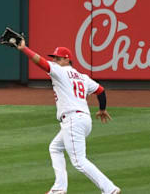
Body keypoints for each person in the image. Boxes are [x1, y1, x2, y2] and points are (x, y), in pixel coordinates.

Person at [16, 39, 121, 194]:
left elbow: (41, 63)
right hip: (84, 121)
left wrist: (24, 49)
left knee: (79, 162)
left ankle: (109, 189)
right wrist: (102, 109)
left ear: (67, 59)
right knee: (55, 147)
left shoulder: (60, 71)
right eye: (54, 58)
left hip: (73, 120)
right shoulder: (82, 77)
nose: (55, 60)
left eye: (58, 58)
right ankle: (59, 188)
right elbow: (100, 90)